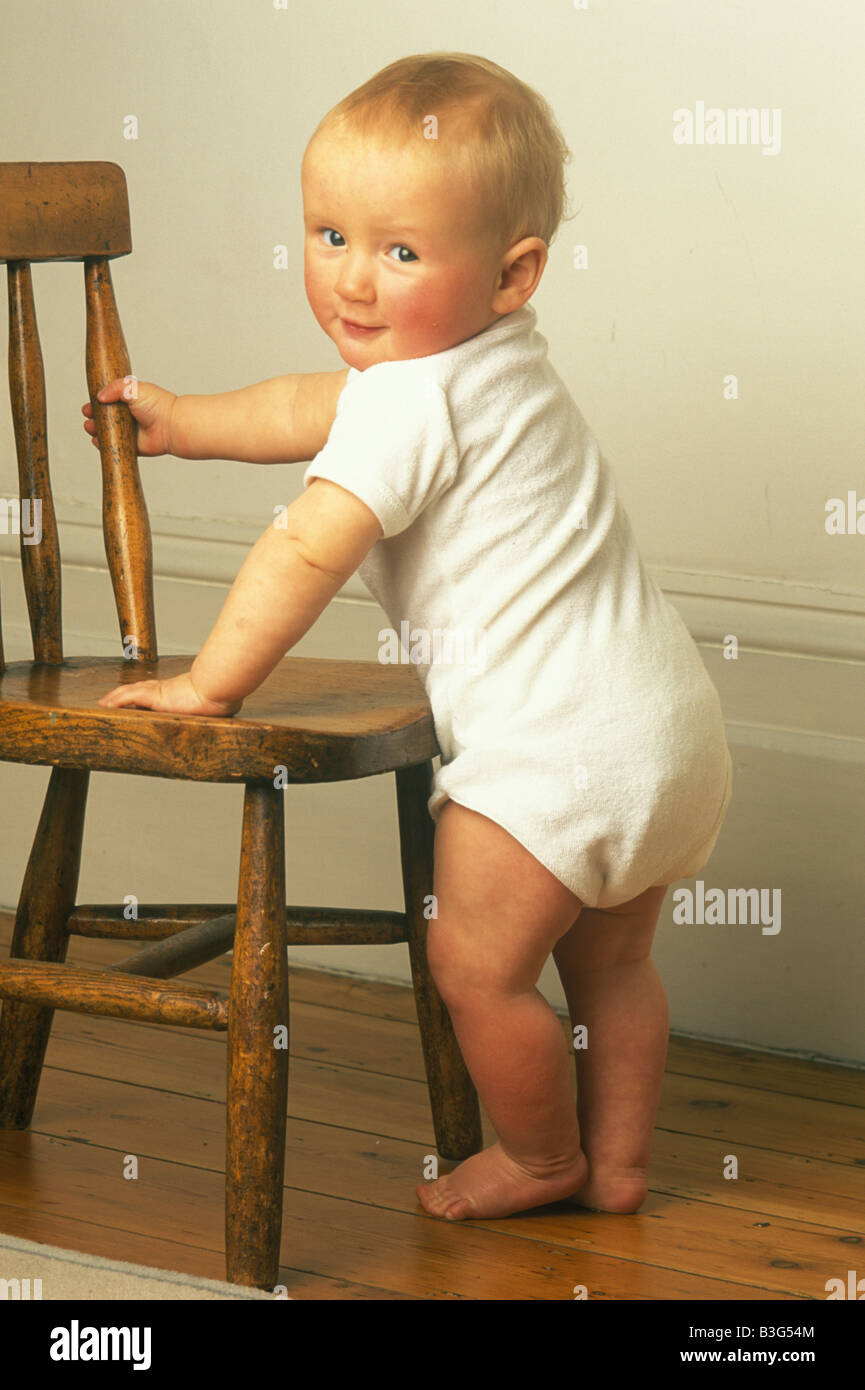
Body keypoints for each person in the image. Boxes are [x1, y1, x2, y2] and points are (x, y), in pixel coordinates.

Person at [83, 53, 733, 1223]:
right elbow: (303, 404)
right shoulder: (489, 366)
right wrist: (184, 424)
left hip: (550, 748)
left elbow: (305, 548)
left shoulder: (405, 401)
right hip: (667, 728)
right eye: (328, 234)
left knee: (475, 969)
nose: (352, 282)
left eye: (399, 250)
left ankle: (541, 1160)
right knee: (613, 966)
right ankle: (621, 1164)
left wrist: (210, 683)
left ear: (510, 273)